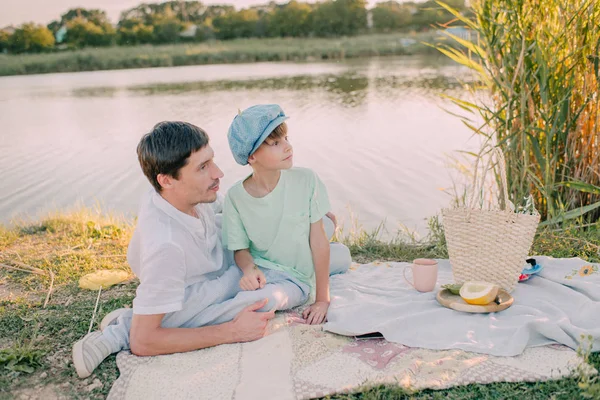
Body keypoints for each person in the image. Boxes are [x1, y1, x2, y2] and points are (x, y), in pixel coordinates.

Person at [72, 121, 276, 378]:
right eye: (203, 167)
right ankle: (123, 330)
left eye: (211, 161)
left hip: (211, 258)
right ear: (166, 180)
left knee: (305, 249)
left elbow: (236, 212)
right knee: (264, 291)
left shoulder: (183, 193)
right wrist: (232, 332)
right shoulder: (166, 246)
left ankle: (134, 320)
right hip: (190, 285)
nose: (218, 173)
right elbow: (144, 342)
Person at [223, 104, 352, 325]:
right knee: (224, 286)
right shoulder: (235, 196)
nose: (288, 147)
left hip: (297, 278)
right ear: (252, 156)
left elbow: (318, 240)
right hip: (264, 267)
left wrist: (322, 299)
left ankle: (327, 223)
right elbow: (240, 249)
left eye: (286, 138)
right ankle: (328, 223)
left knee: (257, 301)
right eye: (275, 143)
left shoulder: (306, 179)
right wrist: (249, 269)